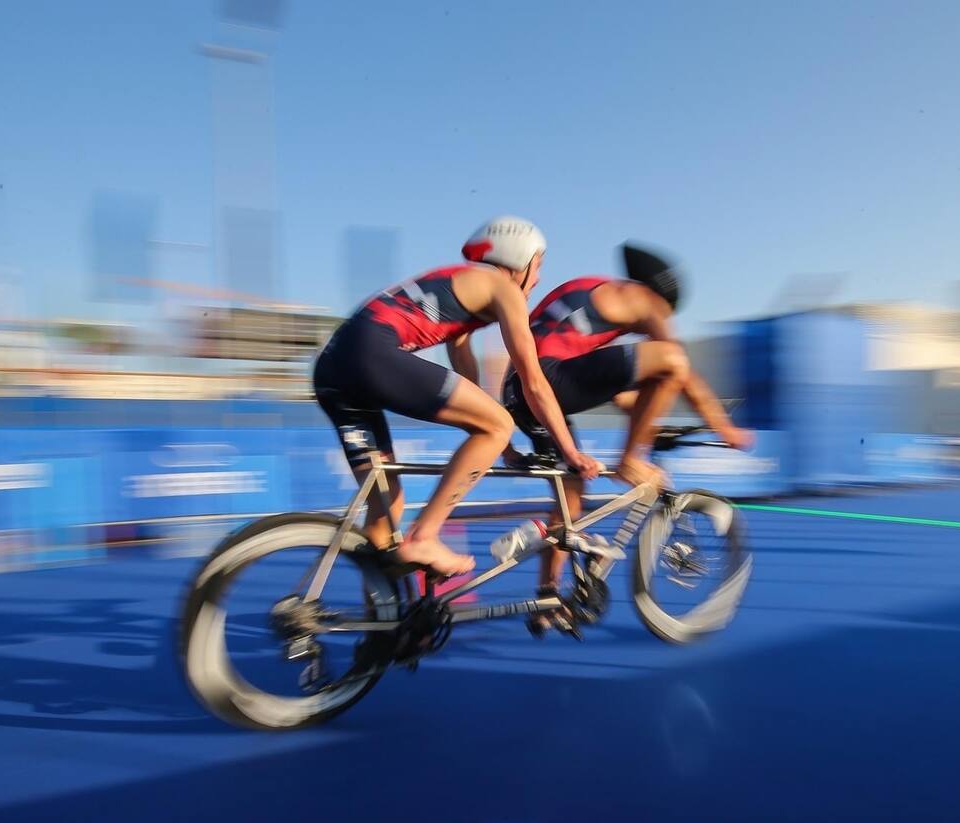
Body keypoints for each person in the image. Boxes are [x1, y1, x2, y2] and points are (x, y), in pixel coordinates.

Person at [312, 216, 603, 578]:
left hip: (332, 366)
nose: (540, 278)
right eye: (539, 265)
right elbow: (534, 381)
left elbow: (464, 370)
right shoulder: (503, 288)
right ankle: (425, 535)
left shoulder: (460, 283)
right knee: (499, 422)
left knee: (387, 511)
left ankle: (385, 622)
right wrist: (569, 451)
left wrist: (503, 447)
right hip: (372, 352)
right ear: (520, 259)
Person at [500, 242, 753, 609]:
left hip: (523, 392)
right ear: (658, 296)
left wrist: (645, 416)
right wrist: (723, 427)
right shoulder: (643, 298)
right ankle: (632, 459)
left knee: (569, 502)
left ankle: (547, 598)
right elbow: (679, 370)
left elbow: (610, 386)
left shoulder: (588, 290)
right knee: (672, 359)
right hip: (551, 383)